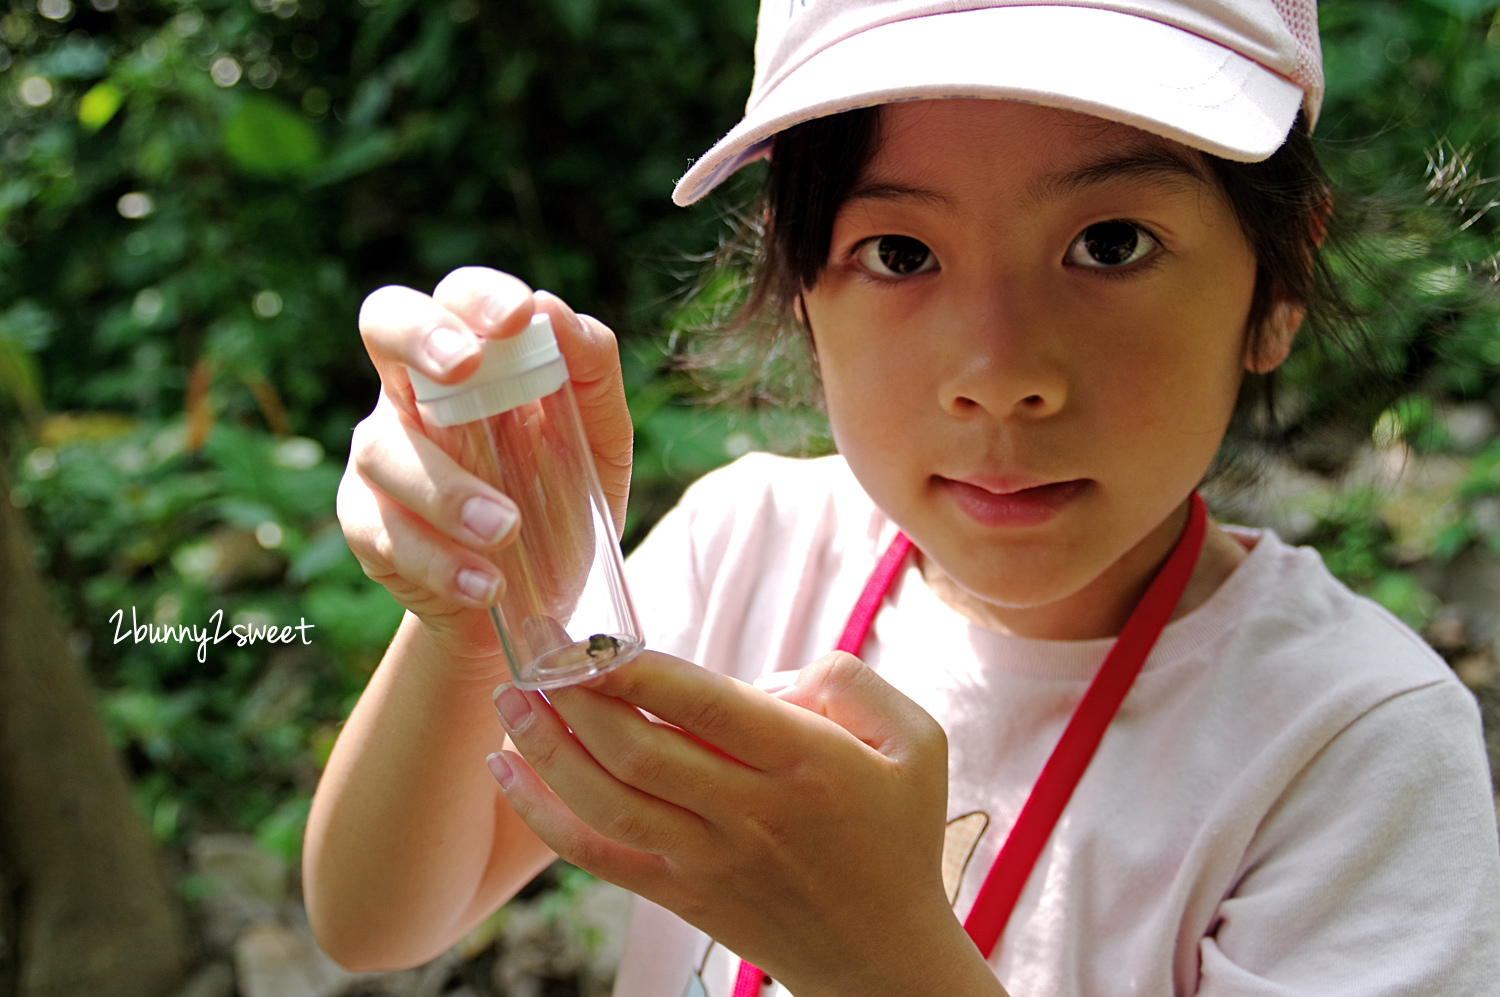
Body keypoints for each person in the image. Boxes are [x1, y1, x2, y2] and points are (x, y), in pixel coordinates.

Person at [303, 1, 1500, 994]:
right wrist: (481, 594)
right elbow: (378, 921)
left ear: (1277, 278)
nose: (1002, 376)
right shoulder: (744, 549)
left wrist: (880, 958)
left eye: (1114, 243)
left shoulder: (1356, 744)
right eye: (901, 254)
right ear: (802, 277)